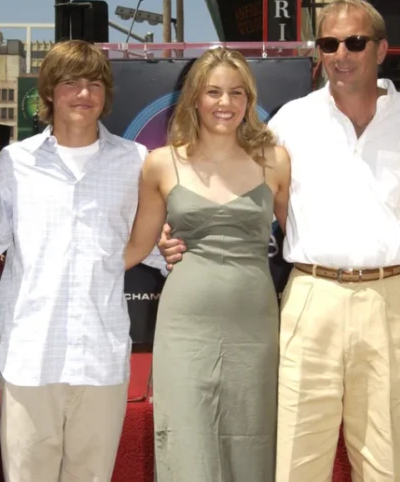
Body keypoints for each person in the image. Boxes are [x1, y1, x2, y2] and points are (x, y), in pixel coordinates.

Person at [157, 0, 400, 482]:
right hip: (311, 295)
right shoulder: (290, 120)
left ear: (381, 49)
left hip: (393, 296)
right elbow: (235, 183)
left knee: (385, 462)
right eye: (329, 43)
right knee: (295, 463)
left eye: (354, 42)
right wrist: (182, 233)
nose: (341, 53)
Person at [123, 47, 290, 482]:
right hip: (185, 326)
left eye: (236, 93)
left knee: (251, 437)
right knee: (186, 438)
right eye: (214, 91)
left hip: (253, 325)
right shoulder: (162, 163)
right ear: (195, 97)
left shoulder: (274, 160)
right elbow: (136, 248)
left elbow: (303, 239)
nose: (225, 103)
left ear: (249, 100)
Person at [0, 40, 148, 482]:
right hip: (29, 354)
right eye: (71, 83)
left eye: (94, 83)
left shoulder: (136, 162)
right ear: (49, 93)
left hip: (100, 355)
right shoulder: (13, 162)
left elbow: (152, 242)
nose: (84, 93)